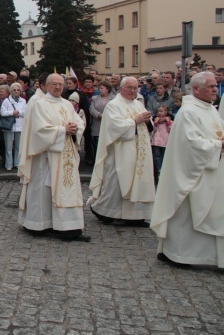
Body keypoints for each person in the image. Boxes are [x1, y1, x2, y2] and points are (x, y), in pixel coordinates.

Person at [151, 72, 224, 268]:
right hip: (192, 173)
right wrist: (218, 145)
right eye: (211, 87)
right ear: (196, 89)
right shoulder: (188, 111)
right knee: (187, 213)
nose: (215, 90)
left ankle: (209, 256)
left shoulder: (210, 109)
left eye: (215, 86)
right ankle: (179, 254)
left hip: (211, 170)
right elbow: (191, 143)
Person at [17, 74, 88, 241]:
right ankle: (39, 224)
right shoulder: (40, 104)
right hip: (46, 156)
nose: (58, 87)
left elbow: (79, 122)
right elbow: (39, 130)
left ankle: (68, 226)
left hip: (66, 155)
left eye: (60, 84)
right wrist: (63, 130)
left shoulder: (67, 104)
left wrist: (74, 128)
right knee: (44, 190)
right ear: (46, 86)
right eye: (54, 84)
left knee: (67, 188)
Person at [87, 77, 155, 225]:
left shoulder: (138, 104)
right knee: (116, 183)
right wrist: (135, 121)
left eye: (135, 88)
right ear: (122, 88)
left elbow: (148, 125)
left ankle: (136, 216)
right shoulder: (114, 105)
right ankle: (104, 211)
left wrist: (149, 121)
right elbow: (114, 127)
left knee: (138, 181)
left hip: (139, 150)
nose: (133, 91)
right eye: (129, 88)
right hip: (120, 151)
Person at [1, 83, 26, 171]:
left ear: (20, 91)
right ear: (11, 91)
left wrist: (18, 112)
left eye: (18, 90)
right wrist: (12, 113)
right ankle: (8, 164)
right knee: (8, 146)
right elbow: (2, 112)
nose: (16, 91)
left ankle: (17, 163)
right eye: (14, 90)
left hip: (19, 126)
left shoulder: (23, 101)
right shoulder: (6, 101)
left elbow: (25, 112)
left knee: (18, 146)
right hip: (9, 126)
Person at [88, 81, 115, 165]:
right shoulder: (94, 98)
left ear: (107, 89)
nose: (99, 90)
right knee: (97, 144)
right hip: (97, 123)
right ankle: (97, 162)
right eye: (99, 88)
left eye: (102, 88)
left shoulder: (114, 98)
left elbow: (115, 109)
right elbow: (91, 109)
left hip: (109, 124)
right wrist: (99, 115)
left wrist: (107, 115)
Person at [151, 104, 172, 184]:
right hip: (156, 142)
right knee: (156, 157)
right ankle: (159, 170)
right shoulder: (156, 120)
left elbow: (171, 130)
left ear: (166, 112)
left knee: (164, 157)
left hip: (165, 143)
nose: (159, 113)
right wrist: (155, 123)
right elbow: (153, 130)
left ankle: (164, 171)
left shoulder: (169, 120)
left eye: (161, 111)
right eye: (158, 111)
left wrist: (168, 122)